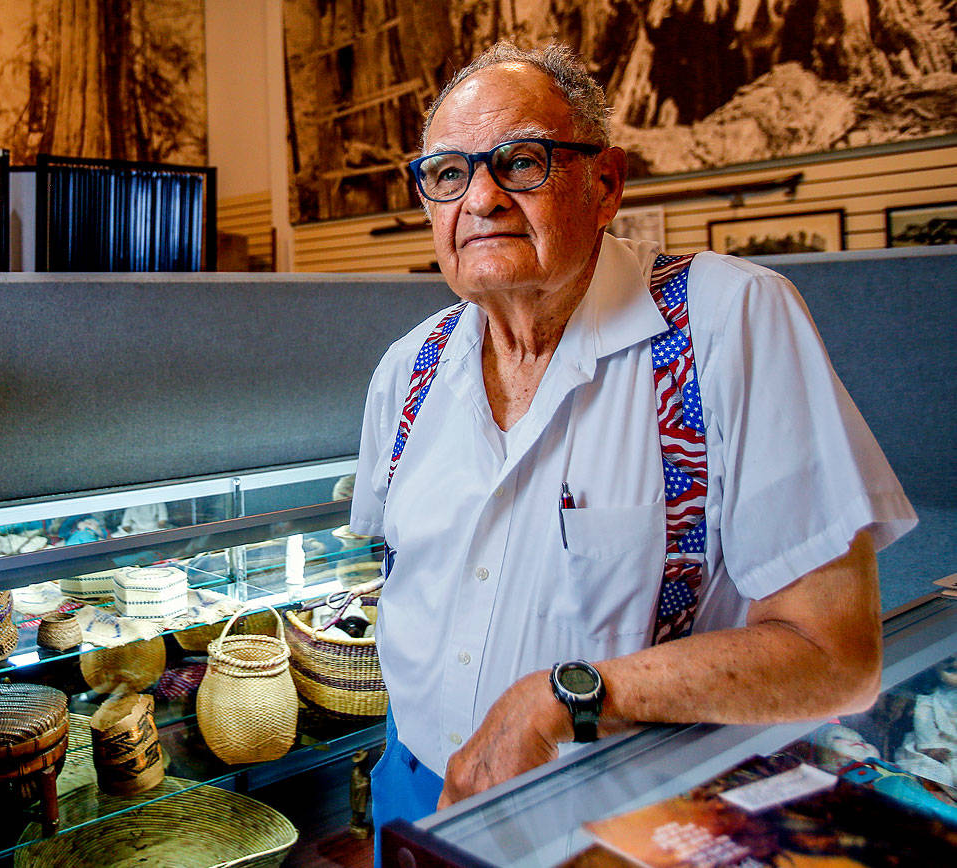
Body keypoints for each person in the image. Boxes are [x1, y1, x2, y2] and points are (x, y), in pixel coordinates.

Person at [348, 41, 917, 836]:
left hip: (617, 816)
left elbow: (834, 659)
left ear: (605, 182)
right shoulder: (406, 371)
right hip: (411, 794)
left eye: (520, 161)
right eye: (447, 173)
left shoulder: (727, 323)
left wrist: (562, 697)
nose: (479, 199)